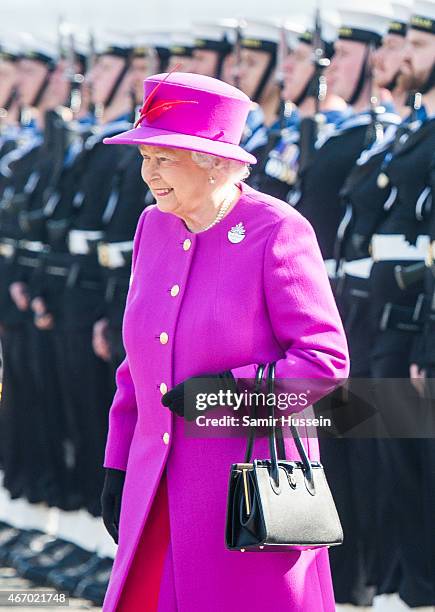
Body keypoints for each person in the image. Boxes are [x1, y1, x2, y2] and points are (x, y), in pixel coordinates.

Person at [100, 70, 349, 611]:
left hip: (245, 495)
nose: (150, 174)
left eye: (164, 159)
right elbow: (136, 363)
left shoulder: (276, 230)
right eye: (145, 158)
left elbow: (323, 361)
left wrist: (221, 397)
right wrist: (117, 465)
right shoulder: (152, 226)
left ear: (214, 161)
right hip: (154, 488)